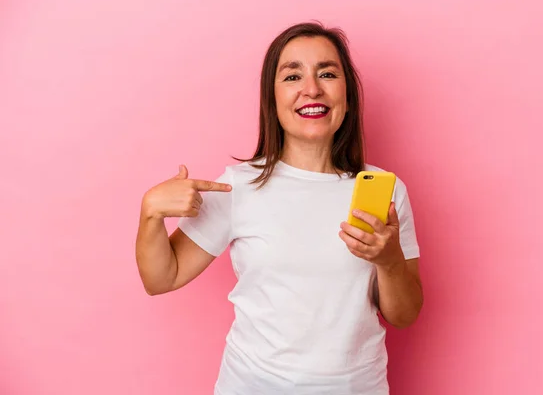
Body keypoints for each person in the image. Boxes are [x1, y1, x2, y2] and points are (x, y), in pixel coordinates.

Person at [135, 21, 423, 395]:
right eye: (292, 76)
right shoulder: (239, 186)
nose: (311, 89)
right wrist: (150, 215)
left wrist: (389, 261)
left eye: (327, 73)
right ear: (271, 99)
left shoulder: (386, 191)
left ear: (347, 96)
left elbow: (405, 314)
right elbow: (162, 278)